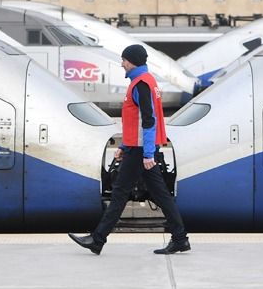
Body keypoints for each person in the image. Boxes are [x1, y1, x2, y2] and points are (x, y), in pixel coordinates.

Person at [68, 44, 190, 255]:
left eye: (124, 60)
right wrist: (124, 146)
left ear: (132, 61)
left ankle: (97, 240)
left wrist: (148, 154)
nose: (122, 63)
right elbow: (137, 121)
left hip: (140, 151)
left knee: (120, 194)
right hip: (137, 149)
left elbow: (149, 121)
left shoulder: (141, 84)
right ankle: (180, 239)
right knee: (160, 195)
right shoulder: (145, 81)